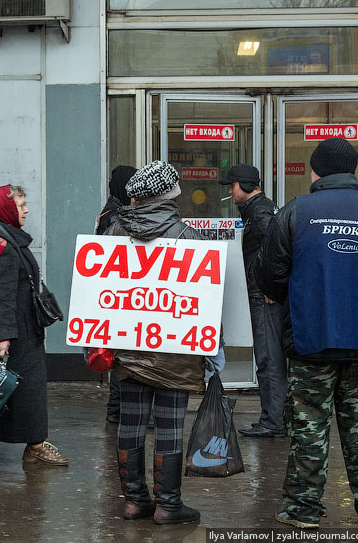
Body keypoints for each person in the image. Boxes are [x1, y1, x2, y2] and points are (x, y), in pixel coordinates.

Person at [255, 137, 358, 530]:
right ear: (353, 171)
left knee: (308, 430)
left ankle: (303, 511)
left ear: (315, 171)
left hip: (312, 342)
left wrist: (282, 295)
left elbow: (270, 276)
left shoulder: (295, 212)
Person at [105, 160, 204, 525]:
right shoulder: (187, 236)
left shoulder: (115, 230)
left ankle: (134, 501)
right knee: (169, 426)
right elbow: (203, 301)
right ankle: (168, 505)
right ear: (171, 194)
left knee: (129, 423)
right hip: (175, 350)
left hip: (128, 347)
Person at [0, 184, 68, 467]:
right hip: (13, 332)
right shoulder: (0, 244)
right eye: (21, 205)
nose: (26, 209)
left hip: (16, 328)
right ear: (8, 209)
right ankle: (33, 445)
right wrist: (2, 337)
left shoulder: (2, 235)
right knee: (24, 394)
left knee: (2, 393)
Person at [219, 164, 287, 438]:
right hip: (264, 293)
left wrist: (272, 287)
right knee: (269, 357)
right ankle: (275, 418)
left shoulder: (260, 215)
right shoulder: (259, 211)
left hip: (265, 297)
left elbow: (279, 254)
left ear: (245, 186)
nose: (230, 192)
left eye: (232, 186)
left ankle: (274, 421)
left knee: (268, 358)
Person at [97, 165, 136, 424]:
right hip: (119, 293)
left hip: (116, 293)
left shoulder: (110, 212)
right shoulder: (115, 216)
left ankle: (115, 410)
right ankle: (117, 410)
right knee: (122, 355)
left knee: (119, 354)